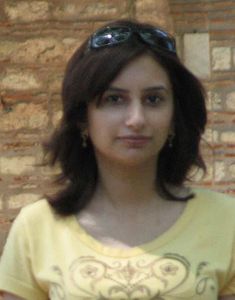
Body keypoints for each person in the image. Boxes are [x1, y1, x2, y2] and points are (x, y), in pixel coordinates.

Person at [0, 19, 234, 300]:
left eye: (153, 100)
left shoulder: (226, 221)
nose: (136, 119)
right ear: (83, 118)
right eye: (114, 99)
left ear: (175, 116)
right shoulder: (36, 227)